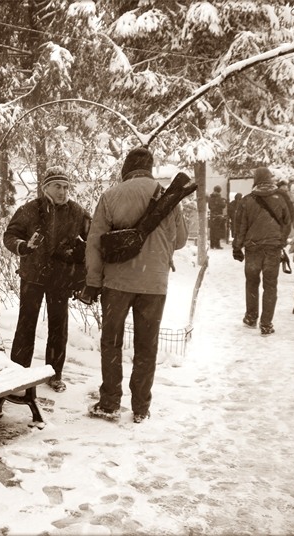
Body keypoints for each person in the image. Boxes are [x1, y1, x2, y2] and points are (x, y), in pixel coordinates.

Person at [80, 147, 187, 424]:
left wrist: (93, 282)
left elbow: (95, 242)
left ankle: (110, 402)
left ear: (126, 168)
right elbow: (180, 240)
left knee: (112, 342)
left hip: (118, 282)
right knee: (146, 346)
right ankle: (140, 407)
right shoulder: (168, 196)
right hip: (154, 283)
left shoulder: (111, 195)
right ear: (150, 169)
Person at [1, 166, 91, 393]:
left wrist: (81, 252)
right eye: (57, 186)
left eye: (66, 187)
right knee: (26, 326)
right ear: (46, 187)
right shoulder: (30, 209)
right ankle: (19, 374)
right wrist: (23, 246)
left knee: (59, 328)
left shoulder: (76, 212)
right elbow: (10, 235)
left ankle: (54, 374)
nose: (62, 191)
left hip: (61, 278)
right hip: (32, 276)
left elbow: (93, 236)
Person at [232, 167, 292, 335]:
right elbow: (287, 223)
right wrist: (280, 241)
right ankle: (266, 324)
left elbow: (240, 227)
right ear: (270, 179)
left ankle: (251, 317)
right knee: (270, 286)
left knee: (252, 283)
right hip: (273, 249)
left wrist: (237, 247)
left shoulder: (247, 200)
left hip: (253, 249)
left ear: (256, 180)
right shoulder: (280, 199)